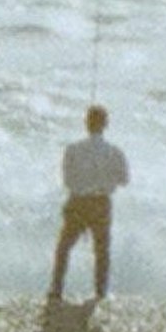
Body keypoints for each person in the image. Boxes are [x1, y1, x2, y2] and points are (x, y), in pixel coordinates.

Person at [50, 104, 130, 303]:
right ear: (106, 124)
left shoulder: (73, 149)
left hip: (77, 201)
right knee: (102, 249)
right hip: (101, 202)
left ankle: (56, 289)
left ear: (86, 123)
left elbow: (67, 180)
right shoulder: (115, 152)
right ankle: (100, 292)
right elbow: (124, 180)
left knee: (64, 247)